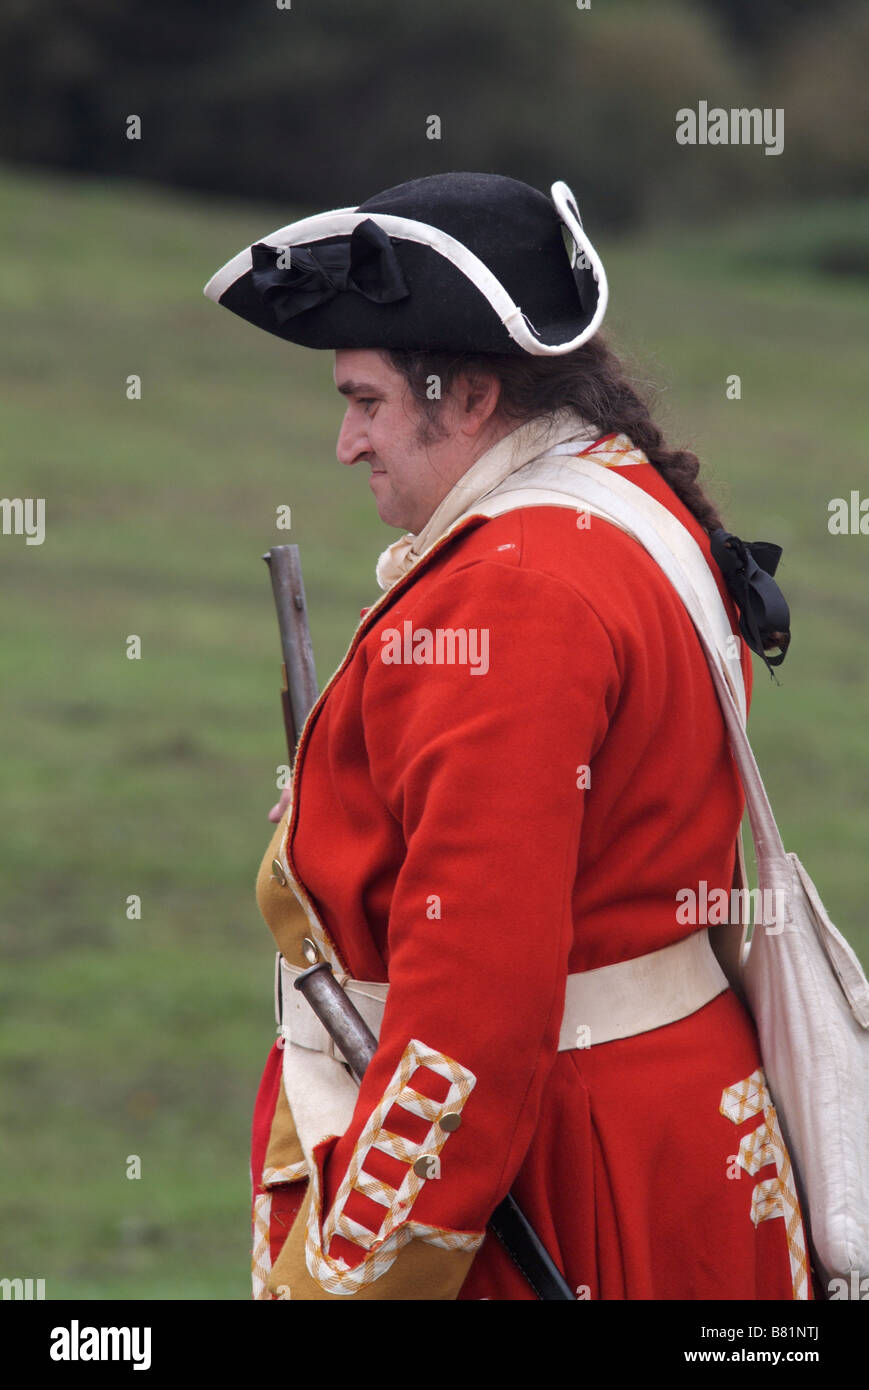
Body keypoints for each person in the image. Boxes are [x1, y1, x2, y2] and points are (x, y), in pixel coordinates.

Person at [204, 172, 811, 1300]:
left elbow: (473, 1007)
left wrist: (363, 1276)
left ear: (470, 396)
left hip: (548, 1178)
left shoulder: (509, 598)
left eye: (368, 401)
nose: (345, 443)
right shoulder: (619, 500)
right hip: (658, 1126)